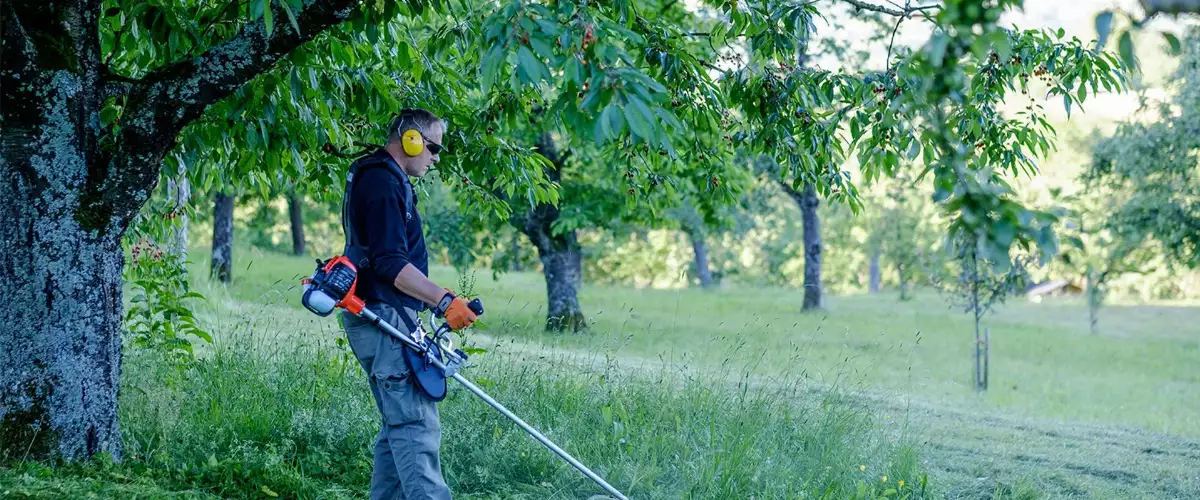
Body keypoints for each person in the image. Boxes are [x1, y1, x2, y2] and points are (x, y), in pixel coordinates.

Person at [339, 108, 478, 500]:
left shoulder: (380, 176)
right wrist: (445, 299)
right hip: (384, 317)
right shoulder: (383, 182)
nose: (435, 158)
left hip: (384, 315)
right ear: (411, 139)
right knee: (416, 427)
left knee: (397, 429)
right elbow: (390, 263)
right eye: (433, 147)